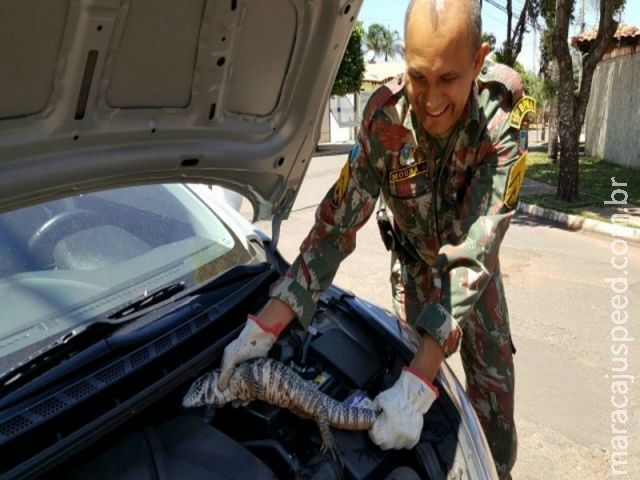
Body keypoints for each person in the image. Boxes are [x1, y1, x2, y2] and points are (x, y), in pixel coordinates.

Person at [213, 0, 528, 477]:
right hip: (416, 278)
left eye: (449, 78)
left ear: (479, 61)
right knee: (414, 429)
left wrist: (418, 381)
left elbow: (473, 254)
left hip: (473, 286)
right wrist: (268, 323)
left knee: (494, 419)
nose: (432, 99)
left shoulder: (501, 128)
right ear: (404, 56)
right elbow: (335, 226)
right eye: (420, 76)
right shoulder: (385, 122)